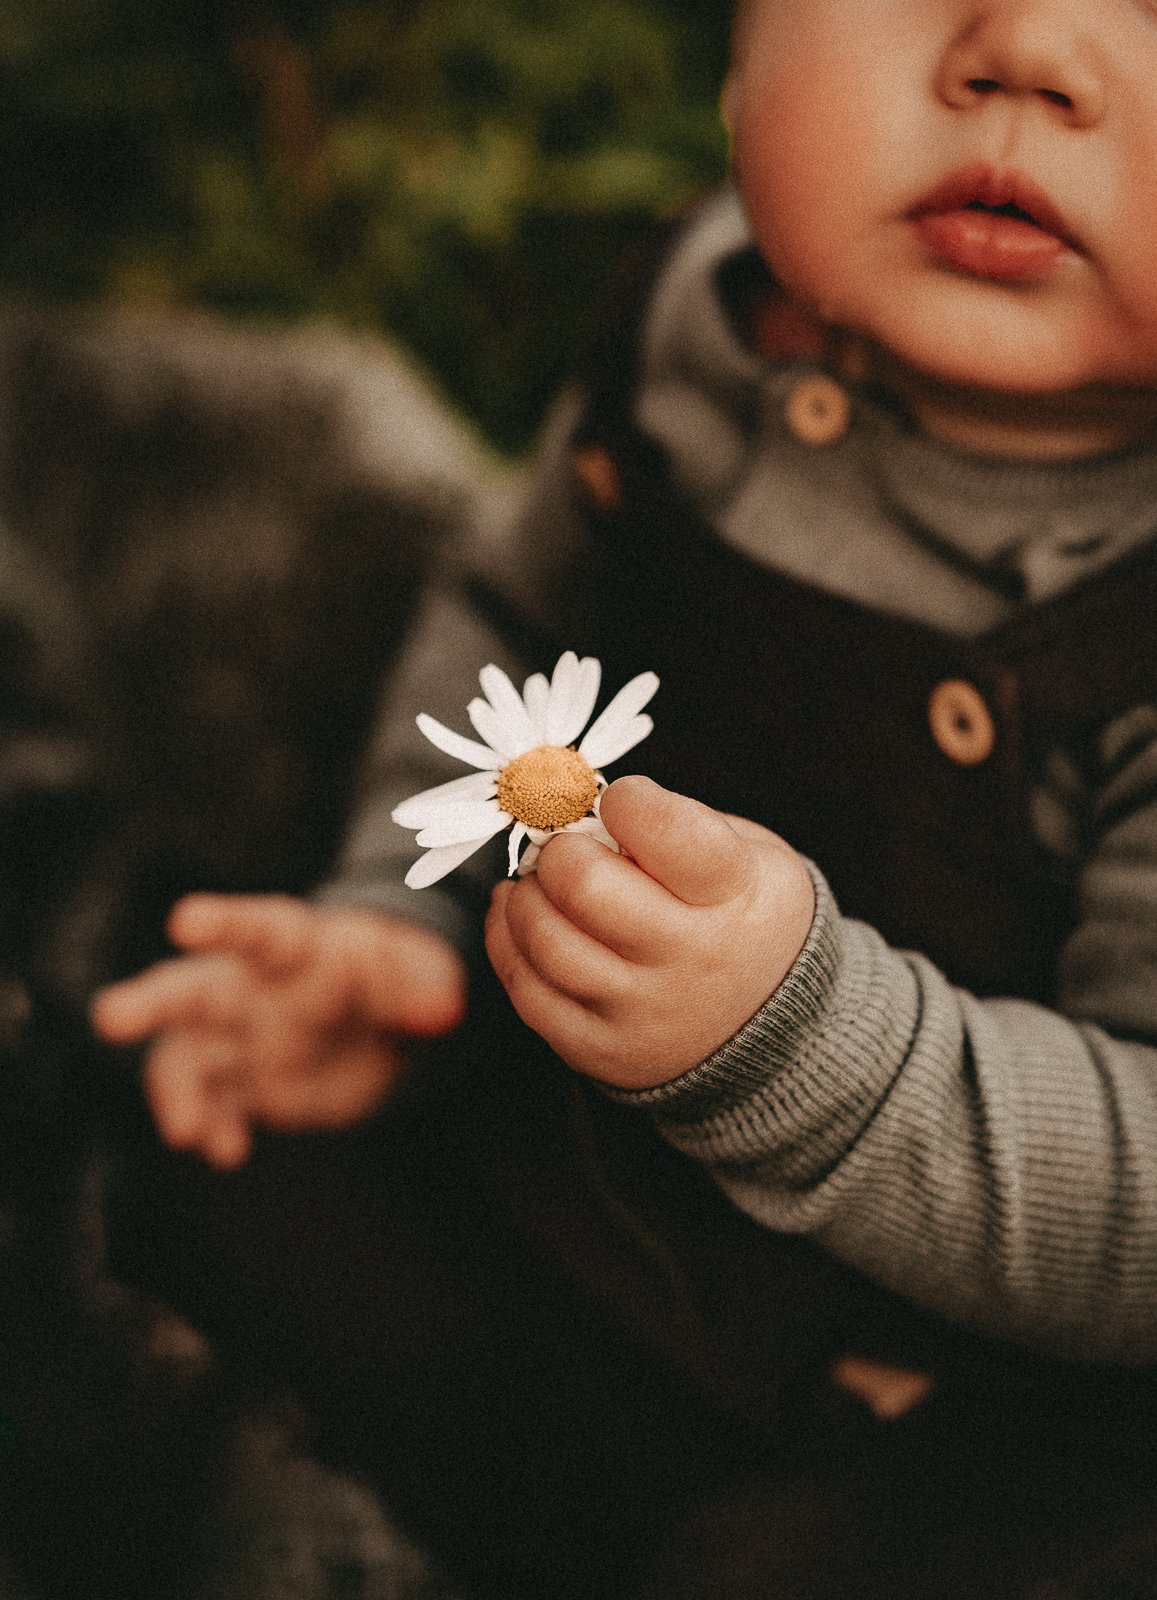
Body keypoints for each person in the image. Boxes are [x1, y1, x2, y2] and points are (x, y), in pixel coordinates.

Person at [93, 1, 1157, 1595]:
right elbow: (516, 626)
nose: (1025, 53)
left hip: (971, 1394)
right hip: (587, 1208)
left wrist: (806, 1051)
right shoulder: (702, 314)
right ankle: (374, 1477)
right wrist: (403, 917)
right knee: (195, 1102)